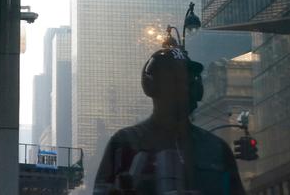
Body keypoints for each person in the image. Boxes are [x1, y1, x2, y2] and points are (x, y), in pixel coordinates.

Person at [94, 45, 245, 195]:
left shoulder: (217, 149)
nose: (185, 88)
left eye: (189, 81)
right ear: (151, 86)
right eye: (175, 81)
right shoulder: (125, 143)